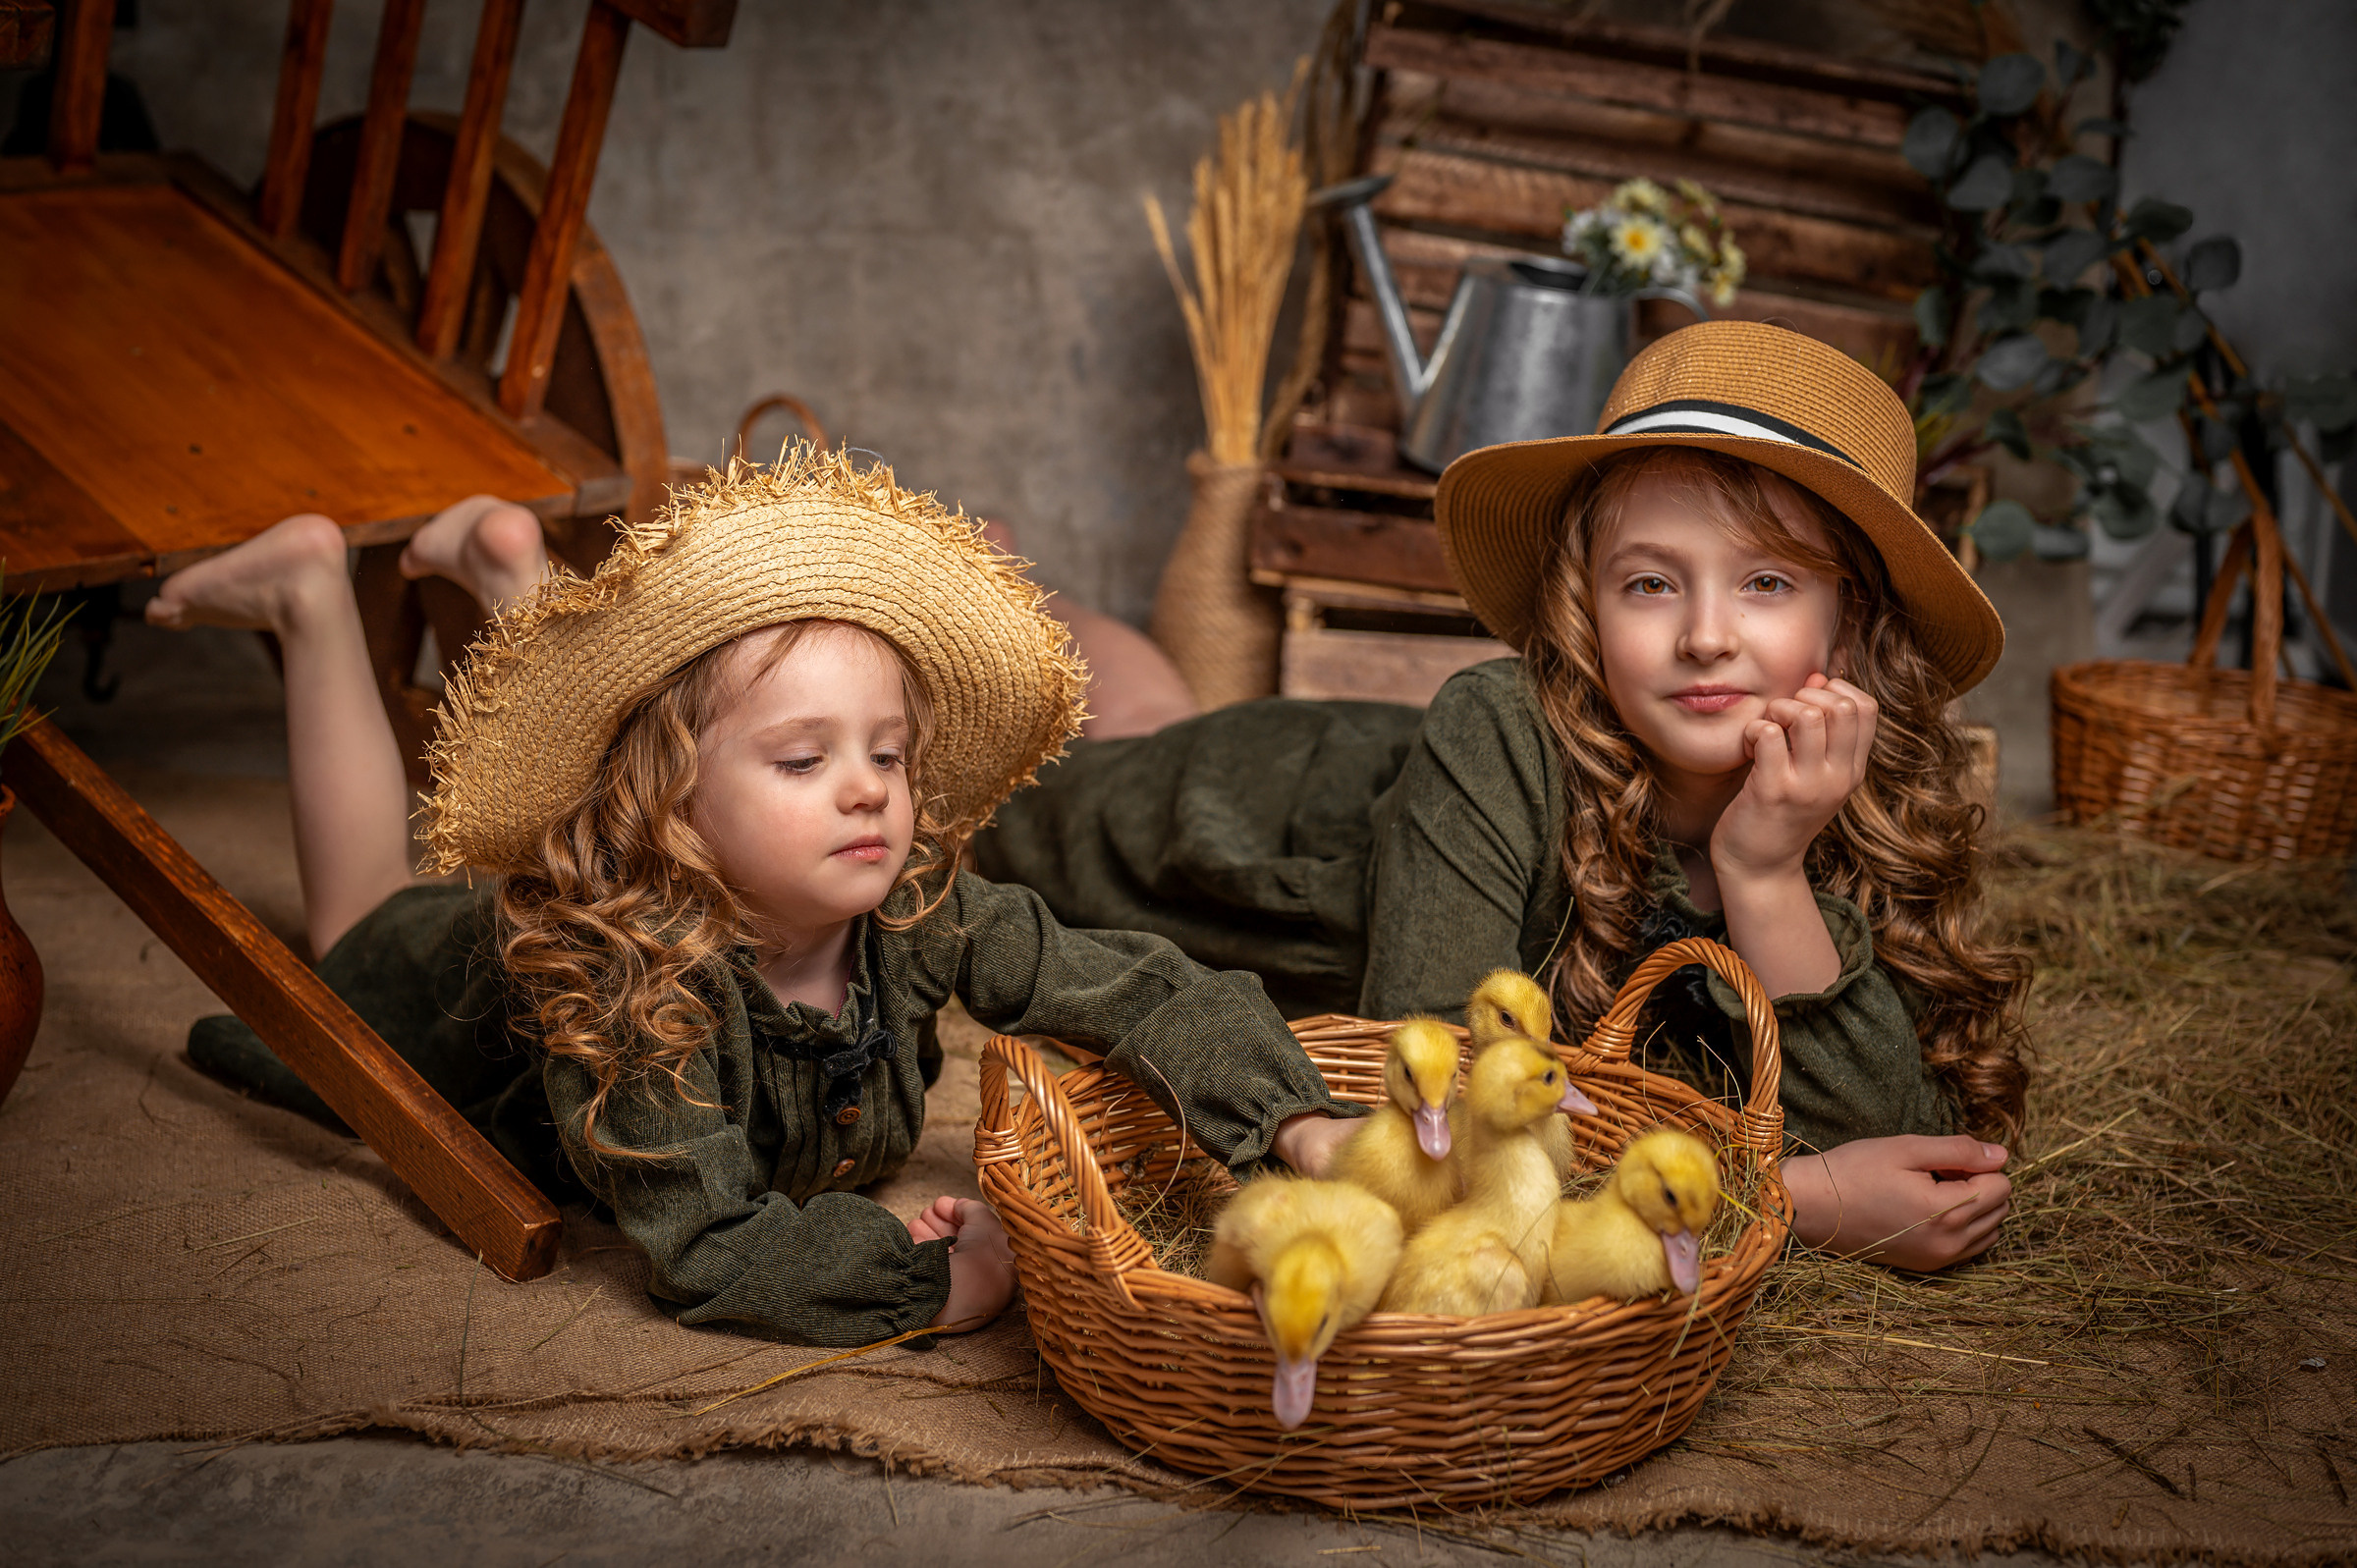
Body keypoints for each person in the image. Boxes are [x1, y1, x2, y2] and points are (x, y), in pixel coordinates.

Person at [150, 451, 1364, 1346]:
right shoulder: (632, 995)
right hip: (438, 985)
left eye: (887, 755)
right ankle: (312, 597)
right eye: (804, 760)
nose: (867, 794)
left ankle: (511, 570)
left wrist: (1295, 1119)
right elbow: (710, 1247)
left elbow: (1138, 987)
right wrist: (939, 1281)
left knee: (620, 761)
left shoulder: (916, 913)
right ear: (676, 811)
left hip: (626, 849)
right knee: (362, 908)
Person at [974, 321, 2031, 1272]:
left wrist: (1766, 867)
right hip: (1231, 826)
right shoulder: (1495, 724)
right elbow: (1430, 1120)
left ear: (1848, 626)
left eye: (1767, 582)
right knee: (1033, 772)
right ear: (1586, 609)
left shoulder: (1850, 780)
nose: (1708, 634)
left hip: (1392, 787)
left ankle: (1022, 587)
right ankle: (998, 586)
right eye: (1652, 582)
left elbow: (1893, 1132)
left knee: (1148, 704)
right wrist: (1778, 1199)